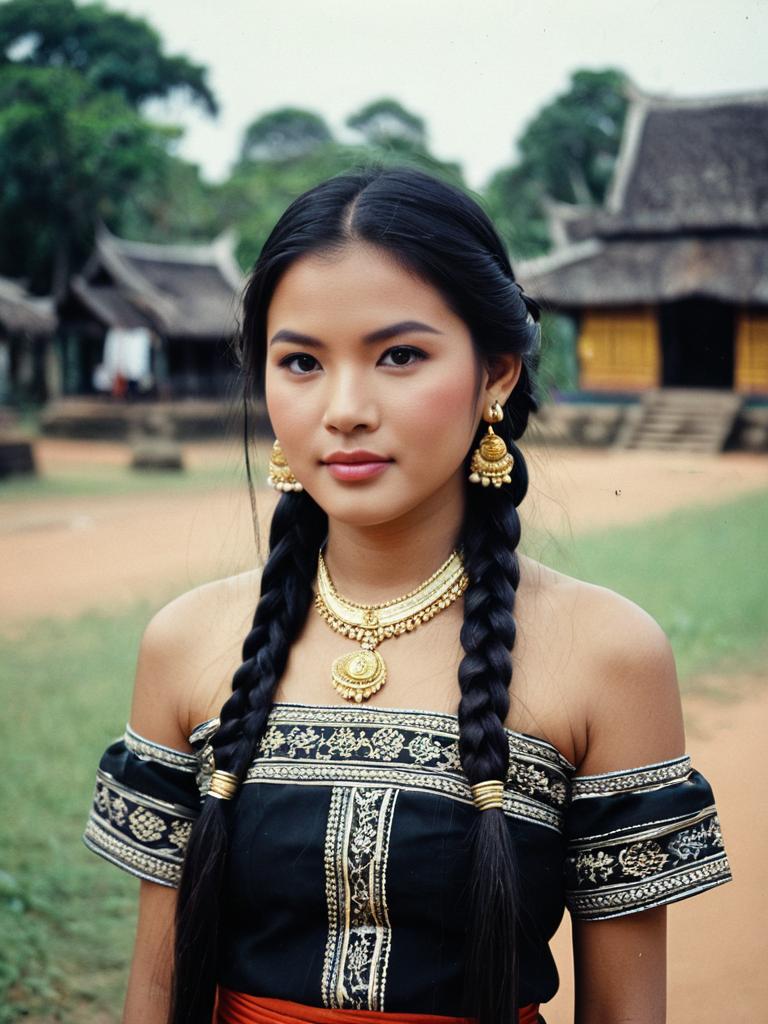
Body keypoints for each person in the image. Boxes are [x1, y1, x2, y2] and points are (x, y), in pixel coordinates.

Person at [83, 166, 732, 1024]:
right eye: (302, 361)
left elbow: (625, 1013)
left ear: (497, 373)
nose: (345, 409)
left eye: (399, 355)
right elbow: (158, 988)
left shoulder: (610, 655)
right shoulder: (188, 641)